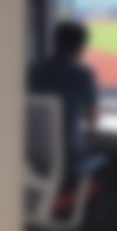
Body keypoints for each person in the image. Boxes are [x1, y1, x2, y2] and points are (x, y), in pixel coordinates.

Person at [28, 20, 100, 191]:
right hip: (69, 159)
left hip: (32, 159)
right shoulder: (83, 74)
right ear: (81, 46)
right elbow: (92, 118)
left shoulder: (34, 70)